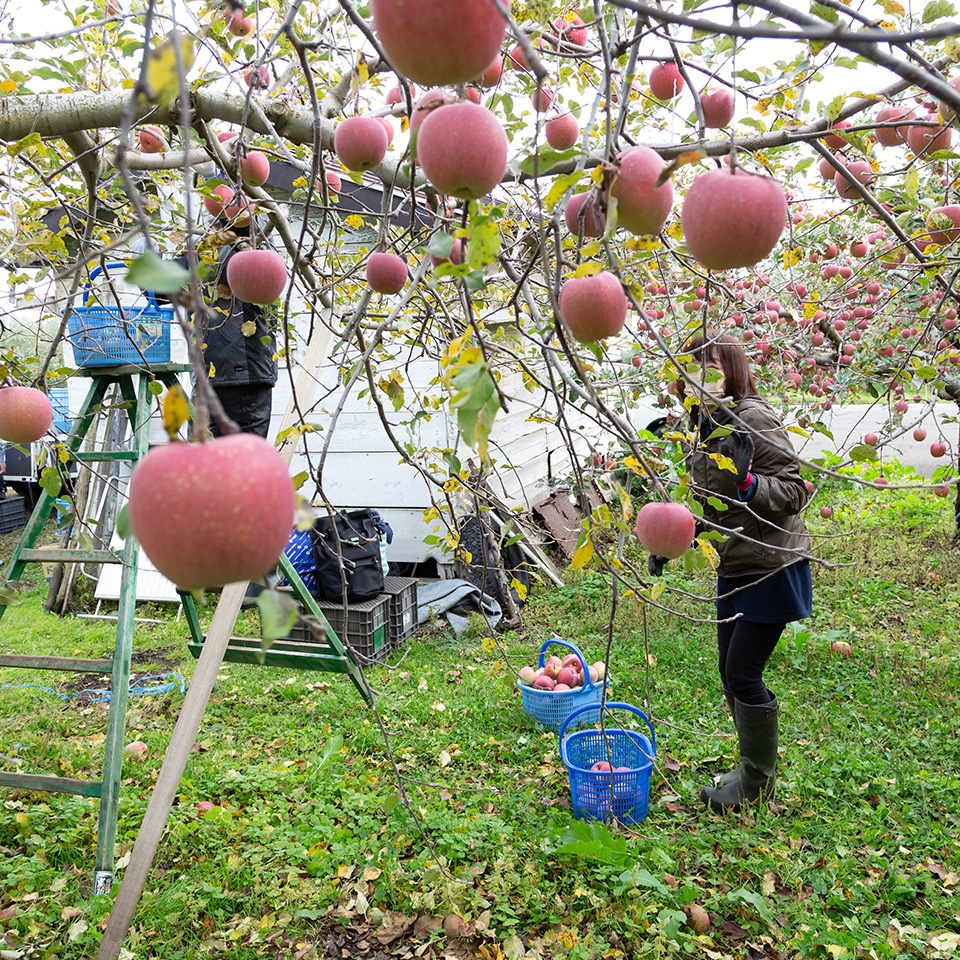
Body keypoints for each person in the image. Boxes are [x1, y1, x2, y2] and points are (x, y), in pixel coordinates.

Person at [650, 333, 812, 813]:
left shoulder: (751, 418)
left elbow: (795, 490)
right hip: (733, 565)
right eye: (689, 368)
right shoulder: (701, 426)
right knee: (729, 673)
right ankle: (749, 771)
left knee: (743, 673)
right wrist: (669, 544)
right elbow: (711, 507)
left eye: (709, 366)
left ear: (732, 370)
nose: (696, 376)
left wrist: (749, 481)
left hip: (769, 564)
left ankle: (757, 783)